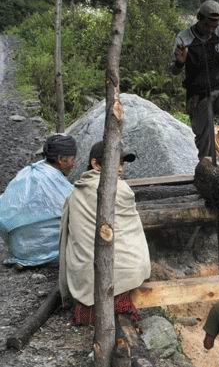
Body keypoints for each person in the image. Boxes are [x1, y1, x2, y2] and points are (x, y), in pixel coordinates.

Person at [59, 141, 151, 324]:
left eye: (122, 164)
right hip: (124, 272)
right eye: (116, 163)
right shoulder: (121, 189)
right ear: (95, 164)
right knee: (133, 263)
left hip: (83, 278)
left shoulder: (75, 193)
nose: (120, 169)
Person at [171, 0, 219, 163]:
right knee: (205, 142)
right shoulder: (184, 38)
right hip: (198, 95)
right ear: (199, 18)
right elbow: (174, 71)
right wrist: (180, 63)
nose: (211, 29)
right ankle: (206, 168)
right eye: (207, 25)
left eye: (214, 26)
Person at [0, 134, 77, 268]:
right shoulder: (53, 180)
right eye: (72, 159)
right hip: (40, 249)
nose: (74, 163)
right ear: (60, 159)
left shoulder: (29, 171)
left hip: (17, 248)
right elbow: (74, 208)